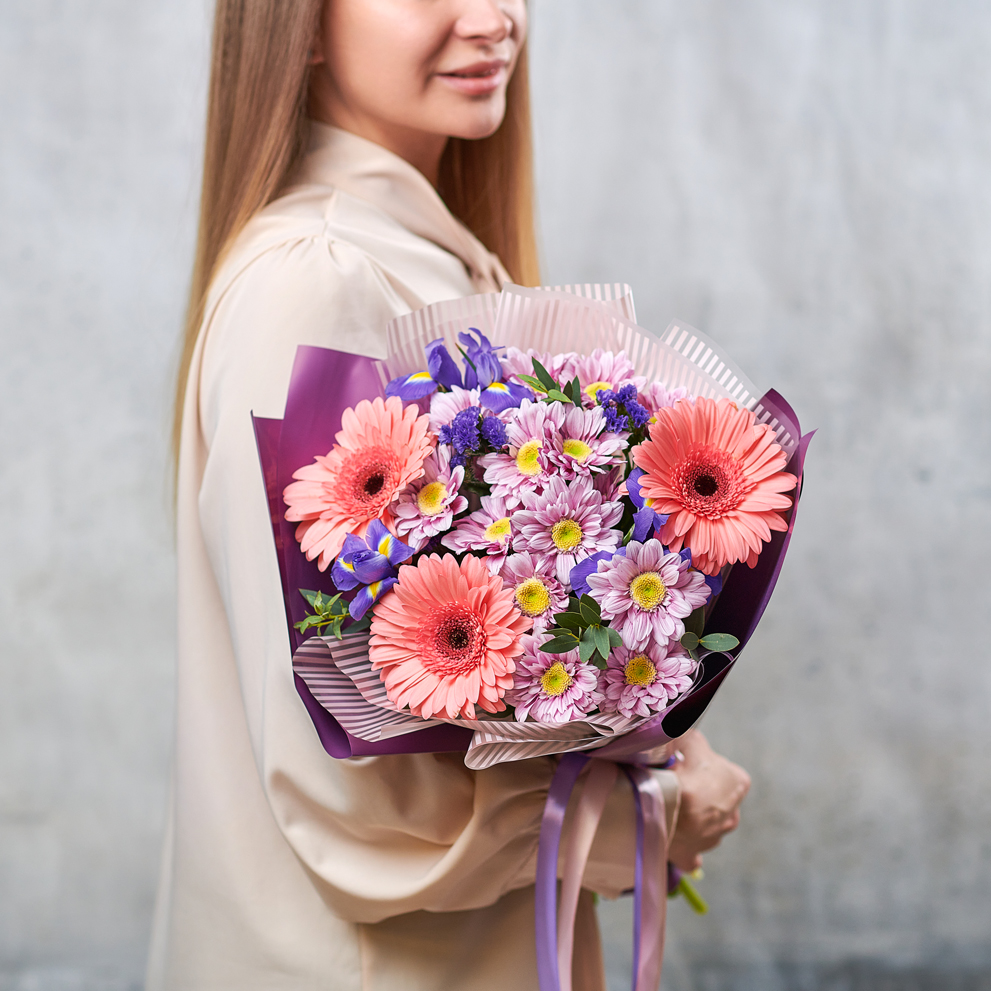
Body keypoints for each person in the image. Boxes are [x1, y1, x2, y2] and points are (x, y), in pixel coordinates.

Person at [147, 2, 751, 989]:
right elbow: (348, 795)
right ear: (300, 25)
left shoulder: (421, 252)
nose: (494, 17)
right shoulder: (319, 279)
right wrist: (654, 811)